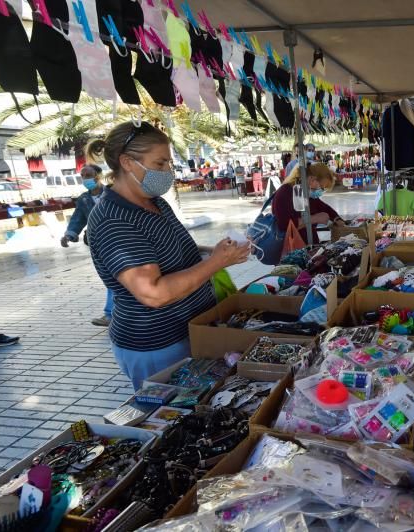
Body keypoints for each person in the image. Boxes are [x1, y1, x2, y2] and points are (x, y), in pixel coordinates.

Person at [85, 122, 250, 390]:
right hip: (157, 345)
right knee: (175, 415)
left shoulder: (156, 203)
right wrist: (216, 262)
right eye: (160, 164)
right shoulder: (113, 220)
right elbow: (153, 293)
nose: (167, 172)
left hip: (192, 329)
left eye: (168, 165)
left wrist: (219, 251)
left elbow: (176, 251)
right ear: (127, 162)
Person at [60, 164, 115, 327]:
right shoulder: (84, 199)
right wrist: (69, 234)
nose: (85, 179)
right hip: (99, 245)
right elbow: (78, 218)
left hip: (117, 242)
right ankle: (113, 314)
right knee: (111, 278)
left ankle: (111, 314)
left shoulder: (113, 193)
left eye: (88, 175)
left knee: (115, 278)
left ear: (98, 175)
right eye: (83, 176)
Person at [272, 162, 344, 245]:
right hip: (292, 249)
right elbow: (284, 225)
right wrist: (315, 218)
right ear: (312, 179)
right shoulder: (284, 193)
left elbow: (324, 207)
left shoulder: (307, 193)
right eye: (321, 187)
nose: (321, 191)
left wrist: (337, 219)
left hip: (309, 245)